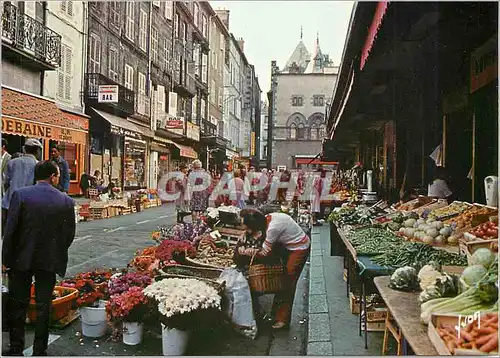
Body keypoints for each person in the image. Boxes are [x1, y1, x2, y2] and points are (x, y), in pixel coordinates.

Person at [3, 161, 76, 356]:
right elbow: (68, 235)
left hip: (21, 259)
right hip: (49, 260)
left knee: (18, 304)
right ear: (52, 176)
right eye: (58, 175)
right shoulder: (66, 201)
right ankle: (40, 349)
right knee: (44, 306)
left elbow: (10, 230)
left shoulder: (21, 195)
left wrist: (5, 258)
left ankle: (16, 347)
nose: (58, 179)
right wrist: (57, 251)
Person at [237, 208, 311, 330]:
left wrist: (247, 252)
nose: (247, 230)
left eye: (248, 227)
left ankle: (282, 320)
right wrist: (246, 233)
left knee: (287, 282)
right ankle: (275, 314)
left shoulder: (272, 228)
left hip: (299, 248)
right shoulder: (265, 219)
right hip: (286, 246)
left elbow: (265, 252)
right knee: (282, 278)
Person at [2, 139, 42, 230]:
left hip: (9, 203)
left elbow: (6, 182)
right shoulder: (38, 165)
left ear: (25, 149)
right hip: (28, 205)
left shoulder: (12, 162)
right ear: (38, 151)